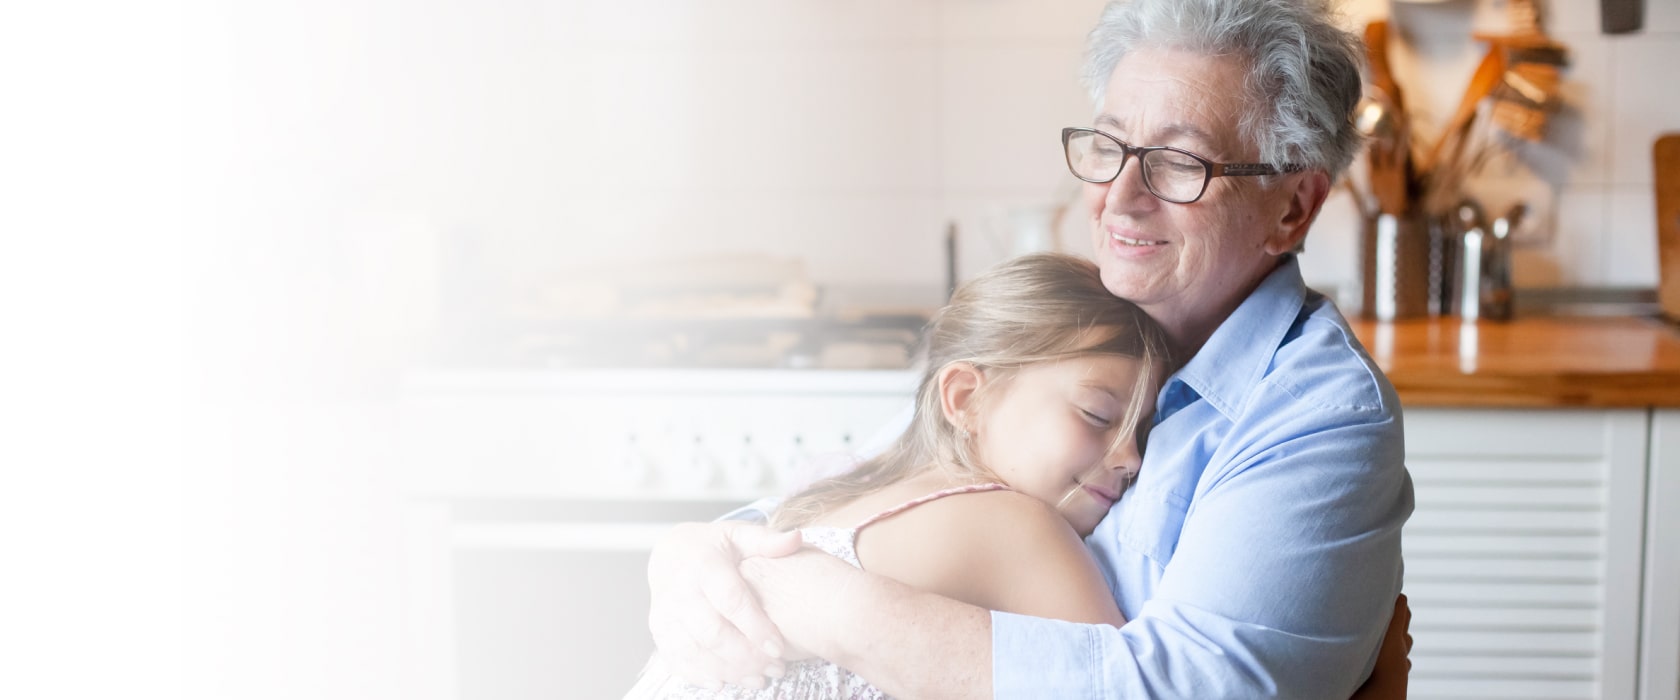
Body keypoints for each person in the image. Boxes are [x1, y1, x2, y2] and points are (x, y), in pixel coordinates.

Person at [645, 0, 1416, 696]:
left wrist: (838, 609)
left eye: (1179, 162)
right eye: (1108, 146)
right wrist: (701, 553)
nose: (1118, 196)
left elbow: (1182, 692)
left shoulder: (1322, 416)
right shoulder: (1077, 325)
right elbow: (912, 469)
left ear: (1291, 208)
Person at [628, 252, 1171, 698]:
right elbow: (1121, 689)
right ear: (966, 398)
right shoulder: (1013, 526)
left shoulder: (841, 490)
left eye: (1143, 431)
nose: (1132, 458)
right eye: (1098, 415)